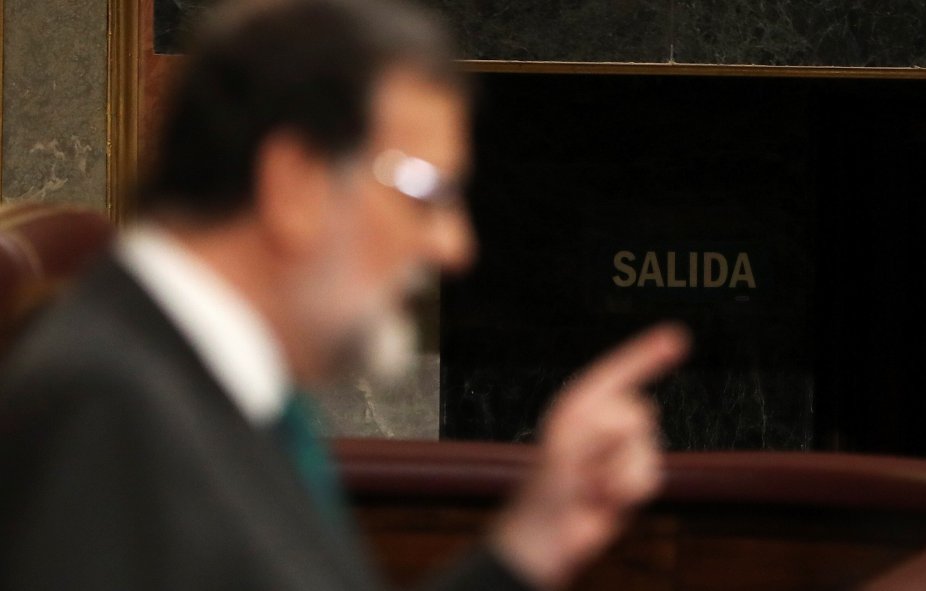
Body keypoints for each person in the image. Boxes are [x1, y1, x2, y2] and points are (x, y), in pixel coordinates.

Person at [0, 0, 690, 589]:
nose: (455, 245)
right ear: (295, 182)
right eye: (427, 193)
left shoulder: (204, 377)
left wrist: (528, 543)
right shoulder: (99, 405)